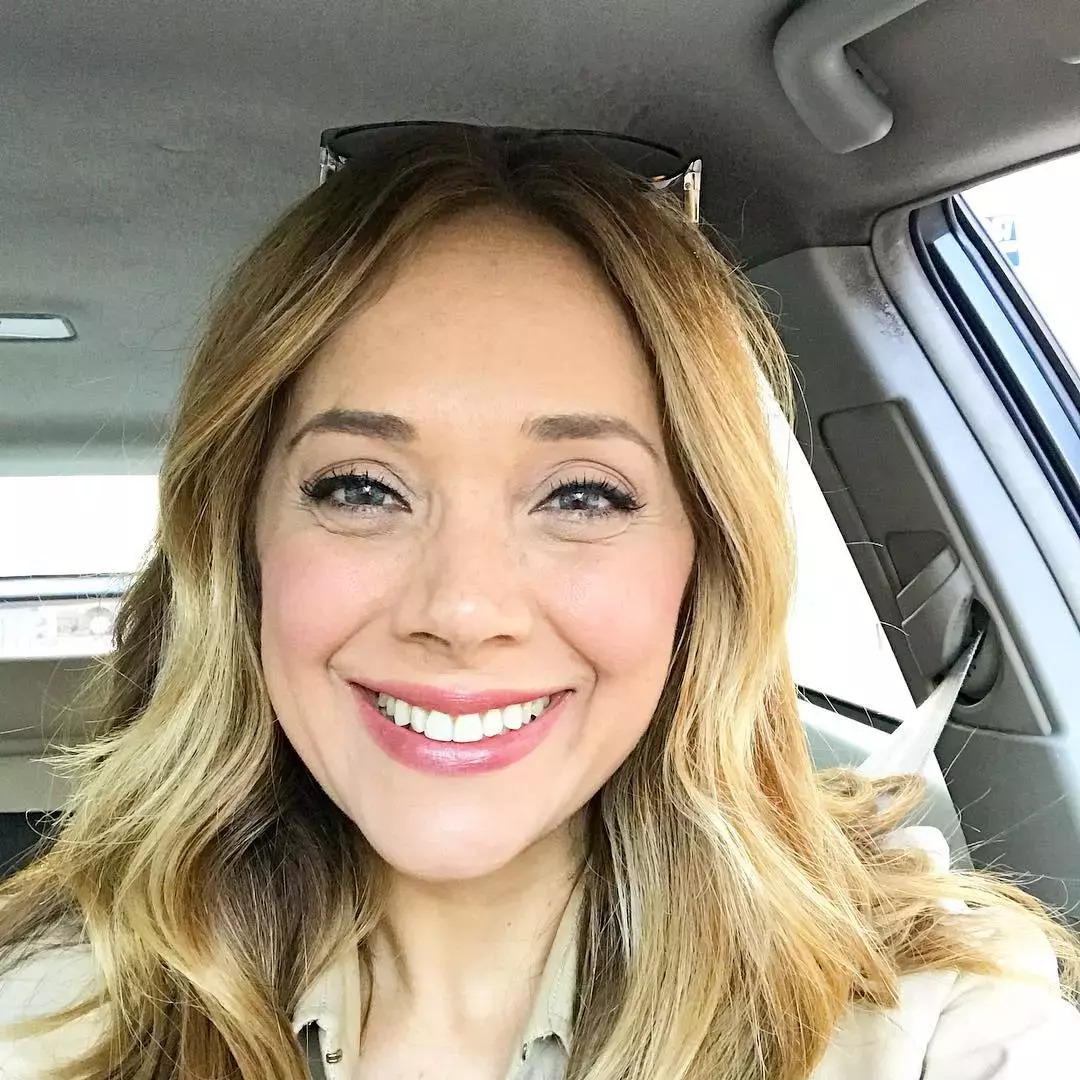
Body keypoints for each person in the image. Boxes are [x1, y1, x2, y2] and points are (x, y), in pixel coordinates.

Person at [1, 123, 1078, 1080]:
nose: (463, 609)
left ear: (706, 560)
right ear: (240, 546)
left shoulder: (925, 1025)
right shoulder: (46, 1019)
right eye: (361, 488)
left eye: (582, 495)